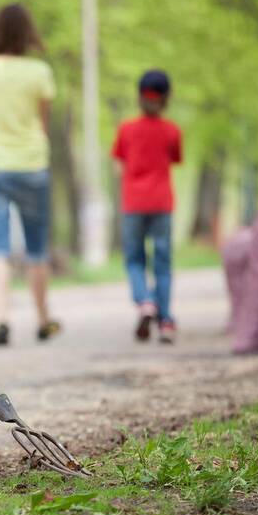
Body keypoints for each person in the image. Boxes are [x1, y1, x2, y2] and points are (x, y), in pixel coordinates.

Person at [0, 3, 60, 346]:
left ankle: (2, 317)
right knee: (36, 246)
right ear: (27, 33)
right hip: (32, 163)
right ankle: (44, 318)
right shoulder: (39, 72)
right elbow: (43, 125)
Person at [112, 70, 182, 344]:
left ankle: (145, 303)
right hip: (162, 203)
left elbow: (119, 165)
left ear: (139, 96)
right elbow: (174, 158)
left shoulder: (126, 129)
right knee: (163, 263)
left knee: (135, 259)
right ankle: (165, 322)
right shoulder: (172, 130)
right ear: (166, 99)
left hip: (134, 203)